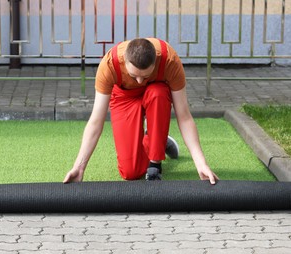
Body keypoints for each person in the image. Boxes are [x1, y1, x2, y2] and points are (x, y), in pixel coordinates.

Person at [63, 38, 218, 184]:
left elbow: (184, 117)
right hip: (124, 97)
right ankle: (157, 139)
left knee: (158, 93)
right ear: (125, 60)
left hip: (155, 95)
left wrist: (201, 164)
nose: (139, 81)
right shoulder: (109, 65)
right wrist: (79, 166)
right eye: (133, 75)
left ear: (155, 62)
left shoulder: (170, 61)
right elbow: (96, 121)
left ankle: (155, 162)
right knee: (131, 172)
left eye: (145, 76)